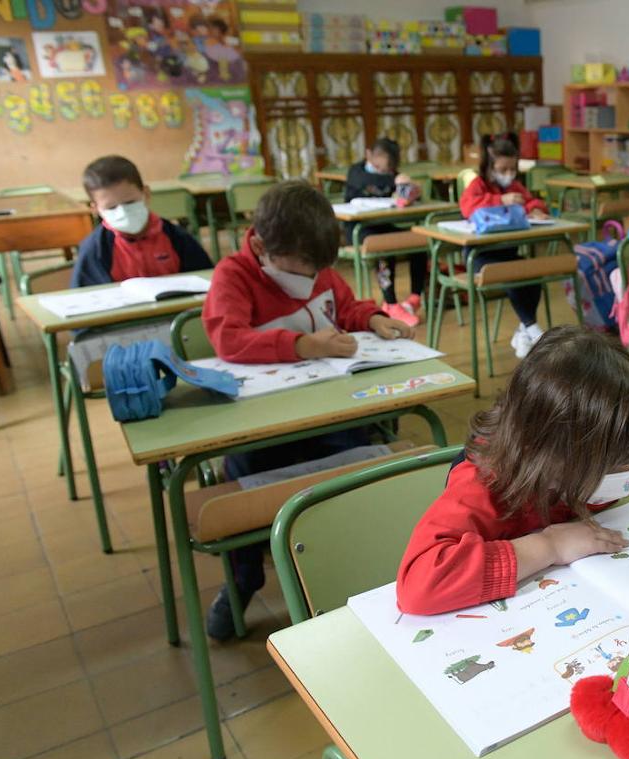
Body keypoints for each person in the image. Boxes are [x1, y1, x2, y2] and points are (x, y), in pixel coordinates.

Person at [201, 180, 414, 639]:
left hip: (329, 408)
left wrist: (374, 319)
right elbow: (227, 337)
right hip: (261, 423)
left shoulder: (318, 271)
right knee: (244, 483)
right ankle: (242, 580)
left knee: (355, 460)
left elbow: (349, 304)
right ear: (260, 245)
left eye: (319, 268)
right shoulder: (233, 275)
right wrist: (302, 343)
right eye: (301, 267)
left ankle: (346, 566)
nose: (311, 278)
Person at [395, 326, 629, 615]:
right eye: (616, 464)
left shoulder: (595, 443)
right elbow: (419, 584)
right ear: (551, 455)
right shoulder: (484, 485)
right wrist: (549, 546)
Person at [458, 132, 551, 358]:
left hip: (507, 251)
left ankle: (524, 330)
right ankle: (532, 328)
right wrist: (500, 200)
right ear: (489, 167)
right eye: (502, 170)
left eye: (512, 169)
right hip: (480, 255)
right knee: (512, 274)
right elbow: (468, 208)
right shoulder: (478, 185)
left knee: (532, 274)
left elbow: (532, 201)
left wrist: (536, 209)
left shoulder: (515, 186)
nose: (508, 175)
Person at [72, 155, 212, 287]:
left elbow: (208, 282)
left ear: (146, 194)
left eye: (130, 202)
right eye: (112, 207)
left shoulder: (177, 238)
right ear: (95, 209)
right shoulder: (95, 250)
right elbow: (83, 297)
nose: (122, 212)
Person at [344, 136, 421, 326]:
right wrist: (394, 178)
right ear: (369, 155)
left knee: (419, 241)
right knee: (383, 247)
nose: (383, 172)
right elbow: (368, 179)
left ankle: (415, 297)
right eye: (380, 166)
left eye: (388, 168)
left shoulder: (392, 173)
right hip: (358, 229)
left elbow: (407, 192)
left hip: (383, 223)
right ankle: (391, 302)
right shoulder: (356, 171)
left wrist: (411, 190)